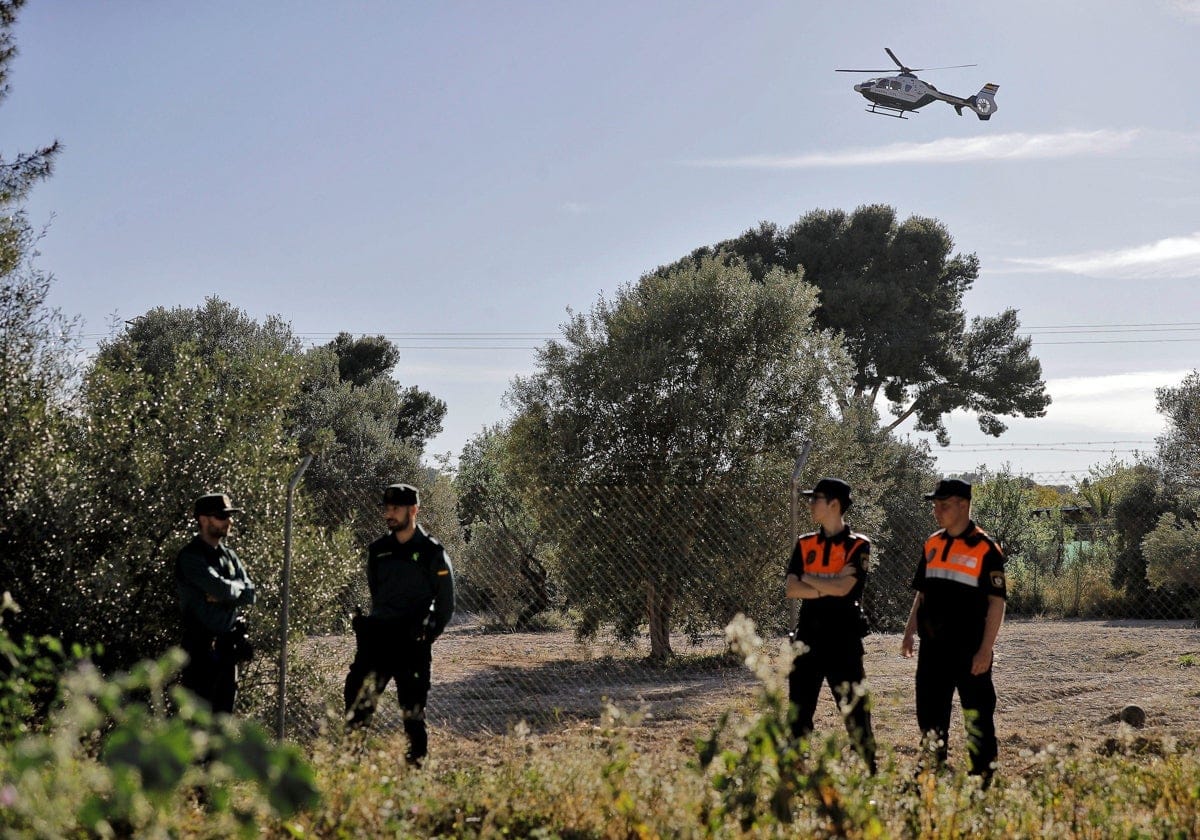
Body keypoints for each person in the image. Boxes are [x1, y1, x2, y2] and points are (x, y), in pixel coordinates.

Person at [901, 478, 1007, 786]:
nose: (937, 511)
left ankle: (983, 777)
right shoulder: (932, 543)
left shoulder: (986, 549)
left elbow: (996, 603)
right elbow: (922, 594)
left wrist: (986, 650)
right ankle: (932, 769)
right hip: (933, 649)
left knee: (978, 716)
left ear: (963, 505)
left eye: (943, 505)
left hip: (969, 649)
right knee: (930, 714)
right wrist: (909, 632)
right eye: (935, 505)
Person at [344, 482, 455, 766]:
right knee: (358, 709)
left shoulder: (432, 552)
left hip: (412, 645)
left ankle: (415, 776)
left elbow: (445, 605)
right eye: (387, 508)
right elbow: (376, 593)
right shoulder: (378, 550)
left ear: (413, 510)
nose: (389, 514)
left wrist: (427, 636)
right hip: (378, 642)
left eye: (396, 509)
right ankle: (350, 776)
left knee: (413, 715)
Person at [785, 477, 877, 773]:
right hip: (808, 638)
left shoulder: (858, 545)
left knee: (855, 711)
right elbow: (791, 588)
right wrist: (829, 584)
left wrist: (809, 579)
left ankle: (867, 770)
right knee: (799, 713)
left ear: (834, 504)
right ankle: (796, 771)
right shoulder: (804, 543)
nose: (811, 504)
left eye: (816, 499)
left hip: (844, 642)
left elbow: (846, 588)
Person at [175, 492, 257, 714]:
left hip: (227, 649)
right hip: (200, 650)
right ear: (203, 520)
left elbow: (250, 592)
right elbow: (220, 587)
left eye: (229, 515)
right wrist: (229, 590)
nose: (228, 521)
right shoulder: (191, 557)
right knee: (198, 725)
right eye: (221, 516)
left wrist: (227, 592)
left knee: (223, 721)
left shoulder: (229, 556)